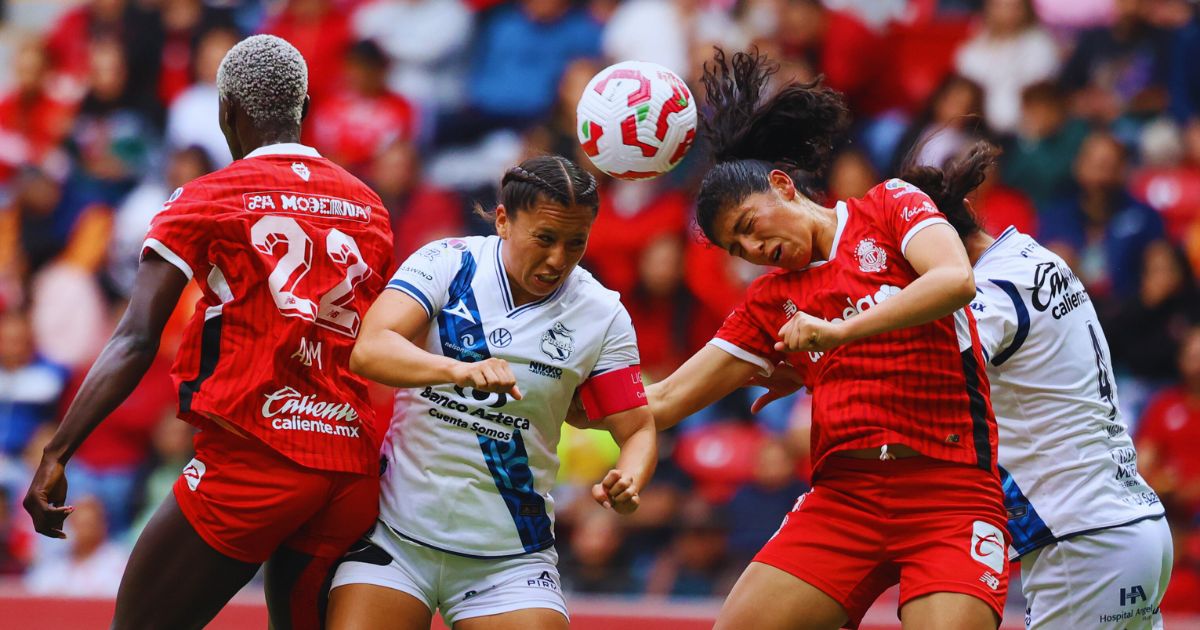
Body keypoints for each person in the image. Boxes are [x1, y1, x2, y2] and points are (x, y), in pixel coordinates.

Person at [590, 49, 1010, 630]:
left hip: (950, 488)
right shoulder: (769, 302)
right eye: (739, 251)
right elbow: (657, 402)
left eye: (749, 227)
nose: (754, 251)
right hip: (845, 499)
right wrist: (537, 387)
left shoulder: (888, 206)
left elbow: (953, 280)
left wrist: (835, 334)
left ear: (784, 187)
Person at [23, 34, 394, 630]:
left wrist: (57, 450)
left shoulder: (209, 198)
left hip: (258, 454)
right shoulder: (370, 206)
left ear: (229, 112)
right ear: (302, 108)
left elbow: (136, 338)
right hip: (348, 463)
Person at [758, 173, 1174, 628]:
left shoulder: (990, 292)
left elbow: (914, 365)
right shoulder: (1033, 255)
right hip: (1131, 526)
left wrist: (815, 360)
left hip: (1081, 537)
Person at [327, 155, 657, 630]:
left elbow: (638, 427)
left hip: (511, 558)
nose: (557, 259)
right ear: (503, 220)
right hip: (396, 539)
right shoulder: (448, 261)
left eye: (575, 243)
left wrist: (630, 476)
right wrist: (458, 371)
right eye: (544, 238)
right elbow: (371, 349)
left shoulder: (602, 314)